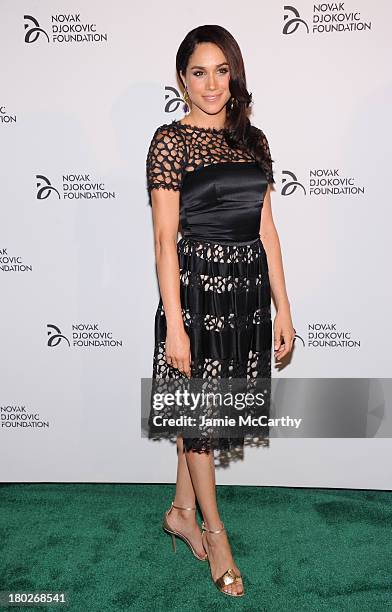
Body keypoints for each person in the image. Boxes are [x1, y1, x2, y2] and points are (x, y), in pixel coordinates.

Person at [145, 25, 295, 597]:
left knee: (204, 413)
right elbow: (164, 240)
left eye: (221, 70)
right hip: (197, 291)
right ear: (182, 79)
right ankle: (215, 531)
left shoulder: (251, 141)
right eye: (199, 72)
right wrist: (175, 324)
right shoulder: (170, 141)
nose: (211, 84)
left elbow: (267, 229)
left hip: (247, 293)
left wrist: (283, 307)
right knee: (200, 421)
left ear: (234, 74)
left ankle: (180, 512)